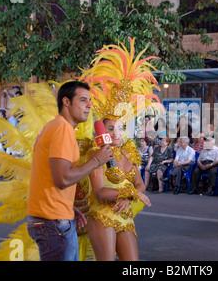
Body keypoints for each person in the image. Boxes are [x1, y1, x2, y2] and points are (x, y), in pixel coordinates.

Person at [26, 81, 114, 261]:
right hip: (53, 222)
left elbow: (51, 176)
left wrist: (68, 206)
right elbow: (63, 179)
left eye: (89, 100)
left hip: (53, 217)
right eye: (83, 100)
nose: (89, 105)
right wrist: (96, 160)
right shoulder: (62, 130)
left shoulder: (56, 127)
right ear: (66, 102)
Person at [87, 118, 151, 261]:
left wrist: (129, 198)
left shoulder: (129, 154)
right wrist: (131, 193)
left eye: (120, 128)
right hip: (102, 215)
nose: (116, 133)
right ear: (102, 131)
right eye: (110, 129)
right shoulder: (97, 155)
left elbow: (140, 185)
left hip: (125, 217)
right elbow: (99, 192)